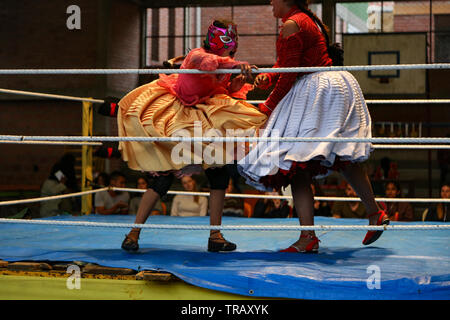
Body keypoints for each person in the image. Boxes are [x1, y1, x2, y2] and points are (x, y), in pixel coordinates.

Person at [238, 0, 388, 253]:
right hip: (332, 85)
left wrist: (268, 106)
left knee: (294, 163)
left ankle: (308, 236)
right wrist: (268, 76)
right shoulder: (306, 19)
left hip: (316, 88)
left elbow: (290, 73)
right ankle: (375, 212)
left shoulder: (292, 23)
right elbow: (287, 66)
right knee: (342, 156)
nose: (270, 2)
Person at [117, 20, 267, 252]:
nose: (231, 48)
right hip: (178, 117)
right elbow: (208, 65)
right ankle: (133, 234)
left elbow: (221, 90)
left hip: (206, 118)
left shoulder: (225, 63)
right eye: (228, 42)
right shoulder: (198, 56)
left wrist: (237, 83)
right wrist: (235, 65)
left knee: (219, 173)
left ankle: (215, 237)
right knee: (163, 177)